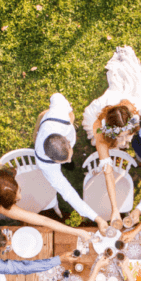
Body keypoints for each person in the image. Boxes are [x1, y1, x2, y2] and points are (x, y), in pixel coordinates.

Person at [82, 46, 141, 227]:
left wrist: (131, 130)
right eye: (120, 135)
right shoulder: (99, 129)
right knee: (104, 143)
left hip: (121, 111)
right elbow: (108, 173)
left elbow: (134, 118)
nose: (124, 138)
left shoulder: (129, 108)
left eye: (125, 133)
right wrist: (114, 210)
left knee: (127, 86)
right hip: (102, 128)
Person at [34, 93, 110, 233]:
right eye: (65, 160)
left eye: (68, 156)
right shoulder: (47, 166)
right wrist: (97, 218)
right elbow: (69, 194)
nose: (69, 160)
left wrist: (69, 110)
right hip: (44, 133)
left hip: (55, 122)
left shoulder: (59, 115)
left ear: (67, 142)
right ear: (54, 161)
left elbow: (56, 96)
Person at [0, 158, 91, 241]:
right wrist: (77, 232)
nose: (20, 198)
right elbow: (43, 220)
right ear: (1, 202)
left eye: (19, 191)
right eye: (15, 199)